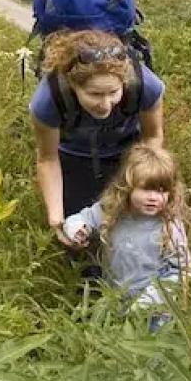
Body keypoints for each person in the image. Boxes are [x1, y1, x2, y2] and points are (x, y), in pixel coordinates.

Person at [32, 28, 165, 247]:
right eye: (94, 94)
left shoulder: (144, 85)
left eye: (113, 92)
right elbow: (48, 158)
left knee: (128, 226)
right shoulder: (49, 99)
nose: (105, 105)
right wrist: (56, 217)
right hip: (73, 157)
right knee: (78, 235)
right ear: (74, 85)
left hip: (127, 155)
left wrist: (140, 181)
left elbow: (153, 137)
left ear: (123, 82)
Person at [61, 142, 191, 328]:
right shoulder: (111, 212)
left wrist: (149, 301)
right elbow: (79, 218)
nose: (154, 197)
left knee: (151, 352)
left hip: (154, 310)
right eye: (146, 189)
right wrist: (78, 229)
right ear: (127, 187)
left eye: (162, 191)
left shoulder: (169, 226)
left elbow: (180, 270)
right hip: (113, 300)